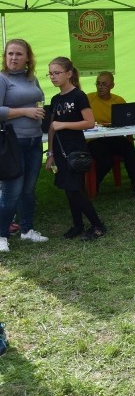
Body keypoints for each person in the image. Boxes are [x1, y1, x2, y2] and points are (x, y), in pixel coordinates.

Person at [45, 57, 107, 241]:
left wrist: (64, 125)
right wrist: (50, 154)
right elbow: (51, 127)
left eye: (57, 73)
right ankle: (78, 225)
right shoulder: (56, 98)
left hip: (75, 151)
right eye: (50, 74)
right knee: (68, 189)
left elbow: (89, 122)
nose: (53, 77)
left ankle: (98, 225)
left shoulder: (79, 96)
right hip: (60, 150)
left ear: (69, 74)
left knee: (74, 190)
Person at [0, 39, 49, 253]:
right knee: (12, 191)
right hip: (13, 143)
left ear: (28, 58)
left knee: (28, 190)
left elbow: (39, 99)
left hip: (34, 140)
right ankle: (1, 235)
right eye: (10, 54)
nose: (14, 58)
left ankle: (27, 230)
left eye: (19, 54)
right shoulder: (2, 79)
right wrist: (25, 112)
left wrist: (39, 112)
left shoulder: (32, 79)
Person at [86, 72, 135, 196]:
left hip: (114, 137)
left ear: (112, 86)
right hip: (94, 139)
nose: (100, 87)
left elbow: (127, 121)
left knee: (128, 148)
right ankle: (93, 185)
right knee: (106, 158)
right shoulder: (88, 99)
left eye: (104, 84)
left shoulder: (119, 100)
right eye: (98, 84)